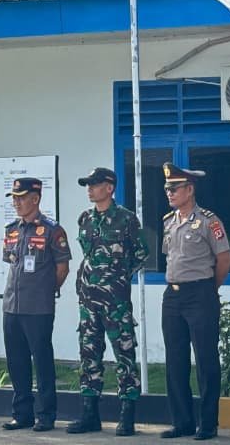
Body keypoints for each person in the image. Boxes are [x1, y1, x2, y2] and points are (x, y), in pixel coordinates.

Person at [66, 166, 149, 437]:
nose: (89, 189)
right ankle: (90, 415)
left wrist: (117, 277)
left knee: (124, 354)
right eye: (87, 184)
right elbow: (87, 255)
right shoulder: (85, 219)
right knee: (89, 355)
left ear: (110, 188)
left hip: (116, 301)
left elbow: (140, 253)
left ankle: (127, 416)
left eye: (95, 184)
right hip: (88, 300)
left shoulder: (126, 220)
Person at [160, 162, 230, 441]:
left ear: (189, 190)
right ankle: (182, 421)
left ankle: (208, 423)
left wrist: (208, 288)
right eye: (167, 189)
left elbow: (224, 259)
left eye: (174, 188)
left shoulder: (208, 221)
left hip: (200, 292)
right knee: (175, 360)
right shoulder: (169, 221)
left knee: (205, 359)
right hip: (173, 295)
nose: (169, 193)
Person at [0, 177, 72, 432]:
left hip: (38, 308)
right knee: (16, 362)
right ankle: (22, 414)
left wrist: (46, 290)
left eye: (21, 198)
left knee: (42, 362)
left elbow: (62, 267)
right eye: (14, 198)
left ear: (35, 199)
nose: (17, 203)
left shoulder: (53, 230)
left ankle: (45, 415)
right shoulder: (12, 229)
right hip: (12, 306)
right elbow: (13, 263)